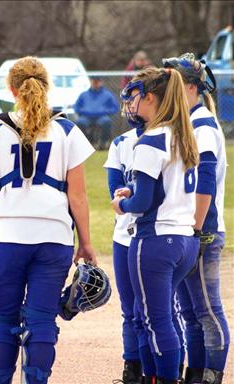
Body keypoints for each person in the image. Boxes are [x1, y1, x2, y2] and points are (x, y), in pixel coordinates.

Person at [0, 56, 97, 384]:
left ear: (11, 89)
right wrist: (86, 243)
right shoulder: (67, 130)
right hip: (53, 237)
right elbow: (77, 197)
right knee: (41, 320)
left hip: (7, 237)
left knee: (1, 319)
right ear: (47, 87)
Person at [111, 67, 200, 383]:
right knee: (151, 317)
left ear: (150, 98)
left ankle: (163, 377)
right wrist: (133, 191)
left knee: (153, 320)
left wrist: (122, 203)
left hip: (155, 240)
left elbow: (143, 204)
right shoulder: (182, 133)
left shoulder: (151, 138)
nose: (132, 105)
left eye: (136, 97)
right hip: (185, 239)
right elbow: (164, 188)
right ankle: (157, 376)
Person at [163, 53, 230, 384]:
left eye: (172, 83)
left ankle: (212, 375)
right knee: (190, 313)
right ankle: (195, 374)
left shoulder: (202, 124)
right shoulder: (187, 122)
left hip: (203, 230)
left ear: (190, 88)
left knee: (207, 310)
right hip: (189, 228)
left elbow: (205, 179)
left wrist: (196, 227)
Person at [104, 120, 145, 384]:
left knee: (158, 310)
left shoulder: (170, 137)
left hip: (156, 236)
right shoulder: (121, 142)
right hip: (124, 236)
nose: (130, 106)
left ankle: (167, 370)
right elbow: (114, 195)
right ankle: (132, 370)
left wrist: (130, 198)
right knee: (129, 310)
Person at [74, 75, 119, 149]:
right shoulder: (84, 95)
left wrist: (105, 112)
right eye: (94, 81)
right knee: (80, 122)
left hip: (101, 117)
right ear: (91, 82)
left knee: (106, 121)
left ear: (101, 82)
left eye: (97, 81)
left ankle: (103, 143)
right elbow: (76, 107)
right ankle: (85, 143)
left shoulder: (107, 95)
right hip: (86, 117)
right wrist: (83, 111)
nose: (95, 83)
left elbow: (115, 108)